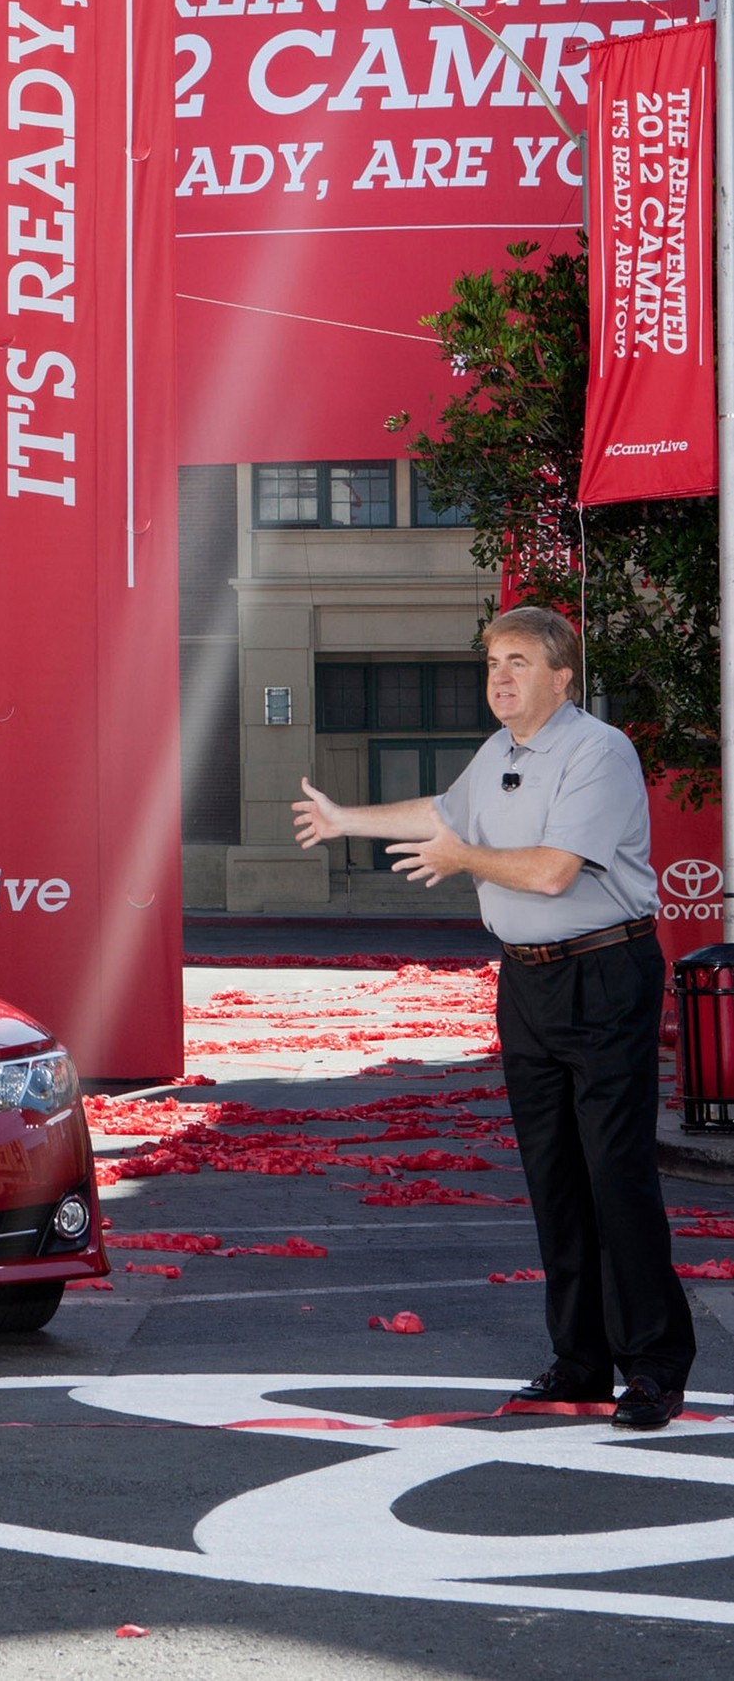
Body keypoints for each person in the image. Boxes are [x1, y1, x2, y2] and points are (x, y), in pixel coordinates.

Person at [293, 605, 692, 1430]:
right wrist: (344, 820)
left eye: (517, 661)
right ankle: (579, 1364)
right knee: (553, 1179)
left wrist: (461, 859)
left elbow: (550, 873)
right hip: (528, 984)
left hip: (604, 974)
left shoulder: (597, 751)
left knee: (615, 1176)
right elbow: (442, 813)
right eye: (490, 663)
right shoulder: (497, 753)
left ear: (561, 677)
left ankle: (652, 1366)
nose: (499, 677)